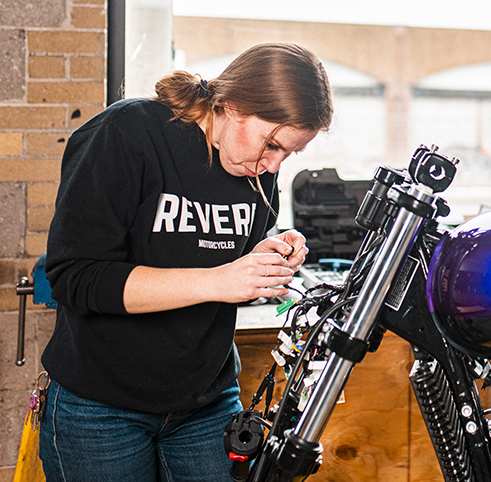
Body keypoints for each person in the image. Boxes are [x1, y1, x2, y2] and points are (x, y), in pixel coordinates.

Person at [38, 42, 333, 482]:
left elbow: (212, 251)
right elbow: (75, 277)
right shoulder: (125, 134)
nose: (273, 164)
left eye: (289, 154)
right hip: (101, 408)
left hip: (207, 402)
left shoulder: (255, 170)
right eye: (271, 144)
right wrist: (218, 282)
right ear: (231, 105)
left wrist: (265, 252)